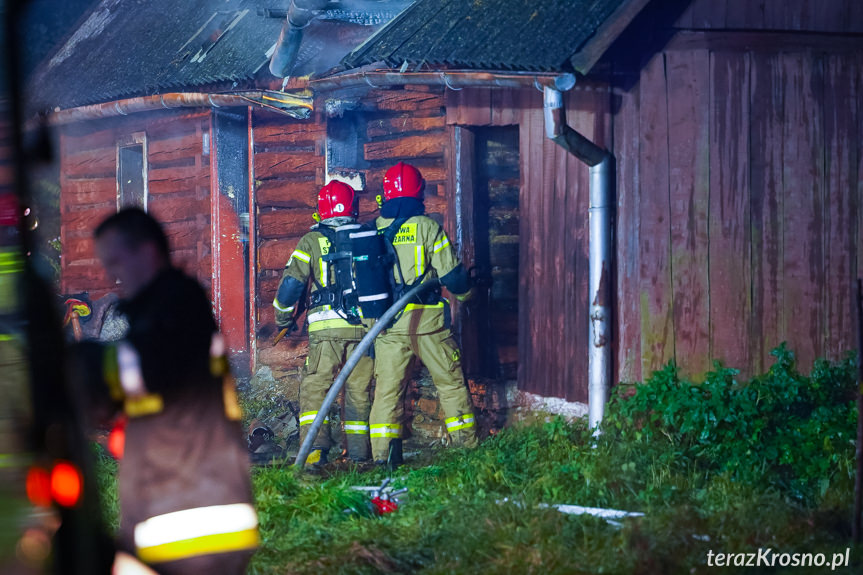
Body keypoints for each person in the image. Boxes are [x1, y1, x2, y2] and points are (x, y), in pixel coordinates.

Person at [83, 208, 257, 575]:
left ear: (147, 252)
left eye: (115, 261)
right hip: (177, 508)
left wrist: (80, 364)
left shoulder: (178, 304)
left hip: (192, 518)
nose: (109, 275)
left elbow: (144, 369)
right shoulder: (160, 311)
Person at [369, 162, 478, 466]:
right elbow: (453, 277)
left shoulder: (374, 229)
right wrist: (469, 295)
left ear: (386, 194)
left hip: (389, 327)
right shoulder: (428, 227)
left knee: (388, 393)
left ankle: (383, 460)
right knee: (451, 383)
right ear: (419, 191)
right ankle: (466, 451)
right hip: (429, 325)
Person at [272, 180, 373, 465]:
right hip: (364, 328)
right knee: (358, 389)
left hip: (325, 329)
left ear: (321, 209)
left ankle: (315, 451)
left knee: (316, 387)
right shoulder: (367, 235)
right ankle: (359, 454)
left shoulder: (311, 241)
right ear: (353, 207)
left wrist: (283, 318)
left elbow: (291, 285)